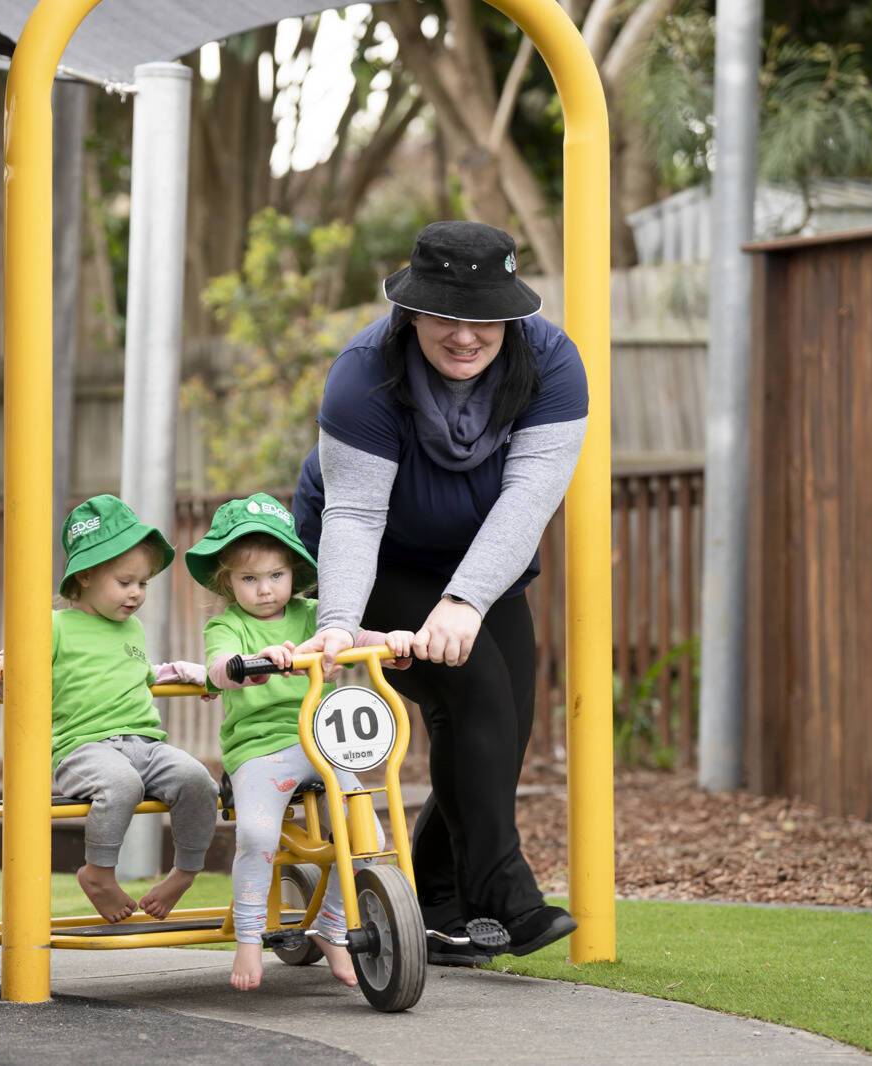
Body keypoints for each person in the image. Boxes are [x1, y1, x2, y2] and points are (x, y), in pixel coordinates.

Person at [292, 220, 588, 965]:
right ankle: (504, 893)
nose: (466, 336)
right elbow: (355, 514)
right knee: (476, 689)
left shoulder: (552, 363)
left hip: (484, 560)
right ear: (412, 311)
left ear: (510, 315)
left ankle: (440, 907)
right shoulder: (365, 371)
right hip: (379, 555)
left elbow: (529, 498)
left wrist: (467, 598)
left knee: (501, 727)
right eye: (448, 317)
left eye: (484, 317)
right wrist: (338, 621)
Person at [187, 492, 413, 992]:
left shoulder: (312, 616)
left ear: (293, 572)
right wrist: (253, 662)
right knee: (259, 837)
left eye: (275, 576)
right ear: (228, 582)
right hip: (260, 752)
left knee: (368, 840)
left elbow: (352, 638)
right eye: (249, 579)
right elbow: (218, 669)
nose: (265, 590)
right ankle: (248, 938)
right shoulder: (228, 624)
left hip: (322, 746)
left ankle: (334, 926)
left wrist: (392, 643)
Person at [0, 494, 217, 924]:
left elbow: (142, 674)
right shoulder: (52, 625)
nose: (136, 593)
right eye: (125, 581)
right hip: (82, 747)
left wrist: (190, 675)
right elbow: (14, 664)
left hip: (144, 744)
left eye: (143, 584)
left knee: (197, 780)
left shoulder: (133, 629)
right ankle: (99, 874)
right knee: (120, 784)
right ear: (87, 576)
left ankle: (184, 871)